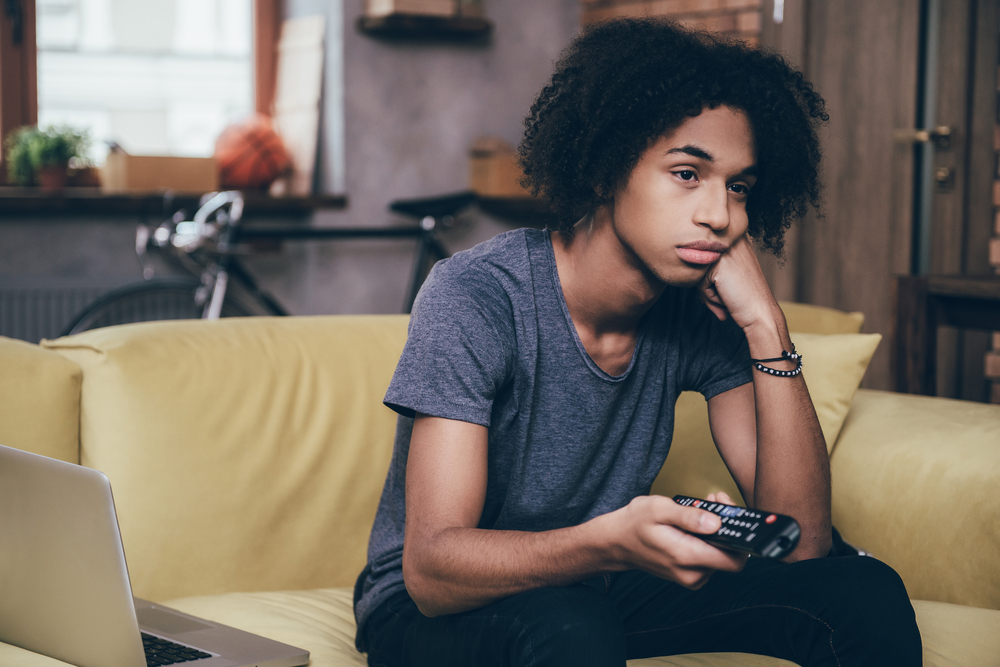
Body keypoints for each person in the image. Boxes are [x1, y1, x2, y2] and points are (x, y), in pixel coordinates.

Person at [353, 18, 921, 667]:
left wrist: (766, 323)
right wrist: (611, 541)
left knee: (863, 589)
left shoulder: (699, 313)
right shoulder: (477, 296)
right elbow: (432, 571)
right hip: (434, 609)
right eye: (687, 173)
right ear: (604, 169)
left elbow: (802, 544)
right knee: (569, 622)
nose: (721, 214)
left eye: (739, 185)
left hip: (593, 582)